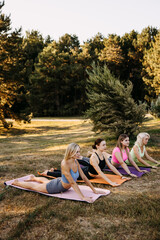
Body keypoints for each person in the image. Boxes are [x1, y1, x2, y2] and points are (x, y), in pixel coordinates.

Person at [11, 143, 105, 203]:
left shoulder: (76, 161)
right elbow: (72, 183)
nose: (79, 154)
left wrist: (94, 190)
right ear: (71, 152)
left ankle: (34, 178)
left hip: (62, 183)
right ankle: (17, 182)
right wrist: (83, 197)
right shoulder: (65, 163)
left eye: (79, 152)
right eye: (77, 152)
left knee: (46, 182)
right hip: (56, 187)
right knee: (34, 187)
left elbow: (84, 177)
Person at [43, 139, 130, 186]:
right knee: (66, 174)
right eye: (103, 145)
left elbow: (111, 166)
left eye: (105, 144)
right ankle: (48, 172)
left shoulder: (103, 154)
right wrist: (110, 182)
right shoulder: (94, 157)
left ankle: (54, 170)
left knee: (69, 172)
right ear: (97, 146)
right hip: (86, 174)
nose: (105, 146)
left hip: (88, 170)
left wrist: (121, 176)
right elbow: (100, 172)